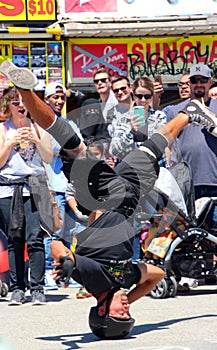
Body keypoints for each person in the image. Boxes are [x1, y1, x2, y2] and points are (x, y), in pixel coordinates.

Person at [1, 60, 217, 338]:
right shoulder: (124, 280)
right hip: (130, 194)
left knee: (72, 146)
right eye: (129, 313)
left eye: (120, 313)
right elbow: (157, 275)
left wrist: (66, 260)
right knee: (153, 148)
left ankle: (24, 89)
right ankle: (188, 113)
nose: (126, 308)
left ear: (101, 310)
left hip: (103, 194)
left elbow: (56, 246)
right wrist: (130, 292)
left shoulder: (95, 279)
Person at [164, 64, 217, 284]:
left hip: (214, 179)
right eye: (194, 81)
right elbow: (166, 139)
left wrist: (208, 117)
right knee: (188, 234)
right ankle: (187, 275)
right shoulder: (176, 111)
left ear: (210, 82)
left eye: (202, 81)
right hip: (188, 183)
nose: (198, 85)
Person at [0, 86, 53, 305]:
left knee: (35, 238)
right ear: (8, 106)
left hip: (34, 187)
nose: (21, 106)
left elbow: (48, 158)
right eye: (16, 102)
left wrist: (37, 141)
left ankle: (38, 287)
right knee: (14, 240)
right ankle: (17, 288)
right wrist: (10, 143)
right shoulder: (3, 129)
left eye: (25, 102)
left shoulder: (40, 127)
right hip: (9, 189)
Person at [43, 82, 82, 290]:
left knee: (69, 231)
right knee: (52, 232)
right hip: (50, 185)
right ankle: (51, 271)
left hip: (69, 186)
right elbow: (56, 148)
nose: (59, 101)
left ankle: (66, 272)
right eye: (55, 97)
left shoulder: (69, 123)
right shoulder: (40, 124)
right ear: (46, 100)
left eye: (61, 98)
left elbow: (79, 148)